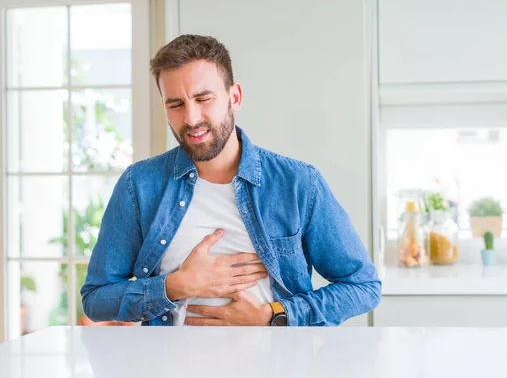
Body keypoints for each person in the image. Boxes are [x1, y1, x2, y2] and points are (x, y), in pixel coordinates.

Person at [81, 35, 381, 327]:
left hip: (276, 371)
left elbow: (363, 287)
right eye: (175, 105)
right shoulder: (139, 185)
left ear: (234, 97)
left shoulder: (299, 184)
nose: (191, 118)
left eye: (203, 99)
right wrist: (174, 286)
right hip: (168, 373)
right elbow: (96, 300)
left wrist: (274, 314)